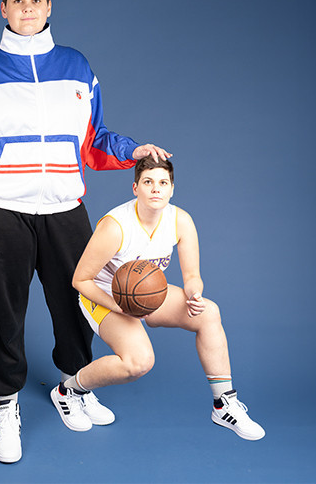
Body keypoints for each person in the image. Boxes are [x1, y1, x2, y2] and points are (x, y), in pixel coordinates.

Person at [0, 0, 170, 464]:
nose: (27, 8)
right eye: (17, 0)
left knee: (77, 304)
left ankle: (73, 387)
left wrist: (132, 151)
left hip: (65, 208)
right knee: (3, 313)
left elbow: (93, 139)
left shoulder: (76, 66)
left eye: (36, 0)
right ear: (3, 9)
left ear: (49, 7)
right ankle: (7, 406)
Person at [67, 156, 265, 441]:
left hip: (145, 294)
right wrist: (122, 307)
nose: (155, 189)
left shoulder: (180, 220)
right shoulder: (115, 226)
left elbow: (192, 276)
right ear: (135, 188)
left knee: (209, 312)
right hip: (105, 296)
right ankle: (70, 391)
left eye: (163, 183)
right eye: (148, 182)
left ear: (172, 189)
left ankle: (224, 404)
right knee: (138, 362)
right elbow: (80, 280)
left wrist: (194, 293)